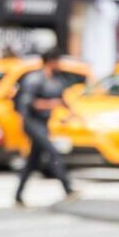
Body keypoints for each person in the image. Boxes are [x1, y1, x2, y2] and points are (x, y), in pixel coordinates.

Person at [14, 48, 77, 207]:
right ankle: (68, 188)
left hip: (43, 123)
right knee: (53, 152)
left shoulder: (56, 80)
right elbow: (28, 103)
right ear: (51, 61)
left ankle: (18, 195)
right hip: (32, 122)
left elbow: (62, 99)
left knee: (32, 162)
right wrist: (51, 104)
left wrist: (71, 113)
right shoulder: (34, 79)